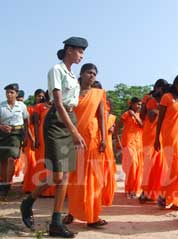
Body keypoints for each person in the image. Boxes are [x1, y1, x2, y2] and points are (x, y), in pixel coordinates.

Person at [20, 37, 88, 238]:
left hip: (70, 118)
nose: (82, 55)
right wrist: (75, 132)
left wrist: (75, 128)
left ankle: (56, 223)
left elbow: (72, 102)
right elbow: (58, 103)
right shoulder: (56, 70)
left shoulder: (72, 75)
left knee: (65, 175)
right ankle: (28, 202)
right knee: (58, 175)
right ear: (69, 50)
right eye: (79, 51)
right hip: (56, 121)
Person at [65, 63, 108, 228]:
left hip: (92, 139)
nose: (92, 76)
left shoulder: (98, 94)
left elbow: (102, 117)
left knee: (92, 178)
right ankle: (72, 212)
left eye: (95, 74)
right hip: (73, 138)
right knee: (75, 176)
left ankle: (92, 216)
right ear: (81, 74)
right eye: (89, 72)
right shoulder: (71, 92)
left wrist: (104, 138)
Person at [154, 73, 178, 210]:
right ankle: (165, 196)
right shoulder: (167, 97)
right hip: (169, 136)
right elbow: (160, 120)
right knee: (175, 168)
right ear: (176, 84)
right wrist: (156, 138)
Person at [0, 83, 29, 196]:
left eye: (11, 92)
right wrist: (1, 127)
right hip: (3, 134)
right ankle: (3, 183)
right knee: (3, 161)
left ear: (16, 94)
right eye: (7, 92)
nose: (9, 94)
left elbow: (26, 121)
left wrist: (26, 135)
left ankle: (8, 183)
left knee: (11, 158)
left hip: (16, 134)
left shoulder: (22, 106)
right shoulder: (0, 106)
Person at [140, 79, 169, 202]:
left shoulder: (167, 99)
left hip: (162, 134)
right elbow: (144, 116)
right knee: (149, 164)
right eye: (159, 87)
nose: (160, 90)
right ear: (156, 87)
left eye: (163, 88)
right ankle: (145, 191)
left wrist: (158, 111)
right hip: (149, 134)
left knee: (160, 165)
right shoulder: (148, 98)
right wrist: (147, 105)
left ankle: (157, 192)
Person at [115, 97, 143, 199]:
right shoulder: (126, 114)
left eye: (140, 104)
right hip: (128, 143)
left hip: (139, 144)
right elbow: (117, 128)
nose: (139, 106)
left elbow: (142, 126)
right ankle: (129, 189)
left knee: (138, 167)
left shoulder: (140, 115)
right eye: (137, 104)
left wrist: (135, 115)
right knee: (133, 165)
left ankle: (135, 189)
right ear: (131, 104)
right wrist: (118, 141)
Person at [23, 89, 45, 193]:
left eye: (42, 96)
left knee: (39, 162)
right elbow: (26, 125)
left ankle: (37, 186)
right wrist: (32, 139)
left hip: (41, 136)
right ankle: (29, 186)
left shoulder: (45, 108)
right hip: (31, 135)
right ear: (35, 96)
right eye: (38, 96)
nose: (40, 98)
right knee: (31, 162)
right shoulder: (29, 109)